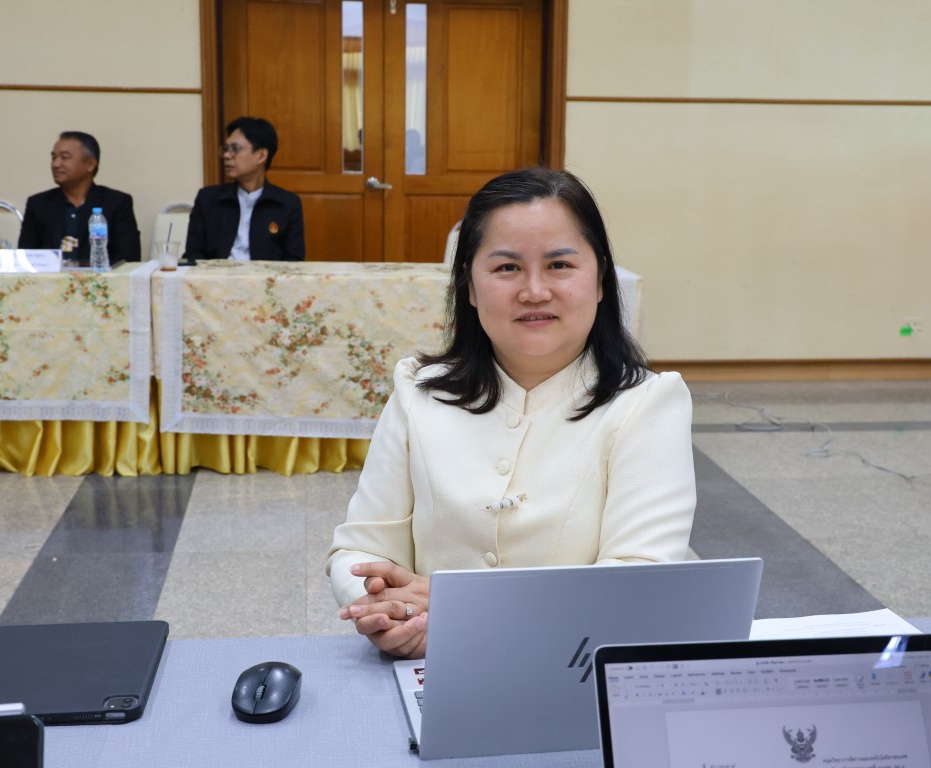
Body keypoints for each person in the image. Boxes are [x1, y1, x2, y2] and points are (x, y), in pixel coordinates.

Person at [327, 167, 697, 659]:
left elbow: (639, 582)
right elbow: (359, 549)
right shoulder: (419, 392)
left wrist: (465, 613)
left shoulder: (647, 404)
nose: (534, 291)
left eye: (560, 265)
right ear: (470, 286)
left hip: (572, 673)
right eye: (507, 268)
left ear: (601, 280)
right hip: (429, 669)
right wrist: (386, 611)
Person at [183, 116, 305, 261]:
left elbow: (294, 263)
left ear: (261, 155)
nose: (227, 155)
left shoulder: (287, 204)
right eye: (226, 149)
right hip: (216, 275)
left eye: (235, 149)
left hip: (265, 276)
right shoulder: (207, 199)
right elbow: (193, 255)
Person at [18, 131, 141, 262]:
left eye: (64, 157)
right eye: (54, 158)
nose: (55, 164)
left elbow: (128, 259)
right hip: (50, 275)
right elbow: (25, 260)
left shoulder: (116, 203)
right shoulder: (38, 204)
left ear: (90, 164)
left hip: (100, 275)